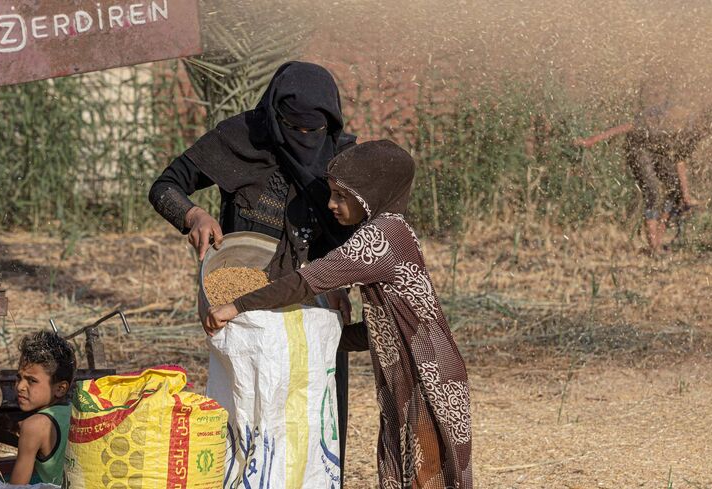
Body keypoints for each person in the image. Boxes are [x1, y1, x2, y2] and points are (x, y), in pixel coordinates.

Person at [208, 140, 473, 488]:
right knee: (409, 470)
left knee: (427, 474)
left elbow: (306, 282)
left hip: (426, 374)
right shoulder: (394, 229)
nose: (331, 205)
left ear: (369, 194)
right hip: (416, 369)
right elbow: (386, 329)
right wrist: (323, 339)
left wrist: (236, 305)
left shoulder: (381, 238)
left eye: (340, 196)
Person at [148, 61, 358, 465]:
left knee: (316, 432)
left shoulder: (342, 158)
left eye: (312, 132)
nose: (302, 139)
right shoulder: (242, 138)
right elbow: (165, 186)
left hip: (317, 314)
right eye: (292, 128)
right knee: (251, 428)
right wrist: (194, 216)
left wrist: (341, 284)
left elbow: (361, 236)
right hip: (247, 315)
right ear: (274, 117)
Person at [575, 79, 712, 254]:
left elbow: (679, 160)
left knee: (674, 189)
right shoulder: (678, 117)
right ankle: (654, 247)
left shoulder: (694, 135)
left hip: (657, 150)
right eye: (706, 126)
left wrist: (685, 195)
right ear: (703, 117)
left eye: (710, 131)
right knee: (653, 191)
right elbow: (630, 126)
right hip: (639, 146)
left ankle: (657, 241)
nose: (705, 131)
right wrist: (592, 140)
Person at [0, 331, 75, 487]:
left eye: (31, 381)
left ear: (60, 388)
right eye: (19, 377)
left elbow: (18, 486)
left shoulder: (34, 426)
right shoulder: (73, 411)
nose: (20, 386)